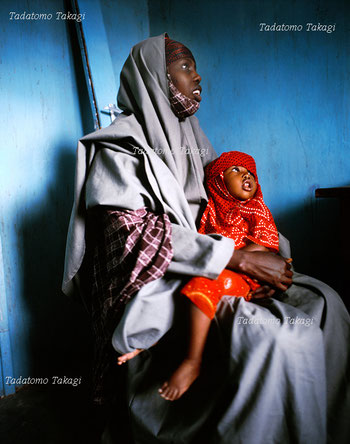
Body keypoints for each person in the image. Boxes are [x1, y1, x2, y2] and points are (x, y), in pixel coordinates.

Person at [62, 34, 350, 444]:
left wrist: (262, 248)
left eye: (194, 68)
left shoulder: (196, 141)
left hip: (229, 260)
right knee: (274, 337)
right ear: (154, 78)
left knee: (327, 305)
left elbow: (230, 205)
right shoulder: (121, 149)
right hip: (170, 279)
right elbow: (132, 237)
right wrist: (235, 258)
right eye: (184, 67)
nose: (197, 77)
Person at [117, 150, 287, 402]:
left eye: (250, 172)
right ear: (218, 182)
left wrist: (231, 258)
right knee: (176, 289)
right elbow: (203, 245)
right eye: (236, 171)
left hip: (249, 274)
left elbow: (265, 248)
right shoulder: (211, 213)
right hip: (224, 267)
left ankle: (192, 361)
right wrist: (218, 257)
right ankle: (144, 340)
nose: (247, 176)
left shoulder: (256, 209)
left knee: (204, 285)